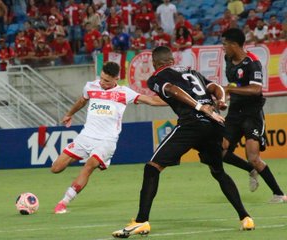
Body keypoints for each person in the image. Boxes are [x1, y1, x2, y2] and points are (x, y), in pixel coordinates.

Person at [112, 46, 255, 238]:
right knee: (218, 171)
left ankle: (140, 221)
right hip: (214, 124)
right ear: (172, 59)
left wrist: (198, 106)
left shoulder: (156, 77)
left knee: (152, 168)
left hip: (192, 124)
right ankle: (245, 218)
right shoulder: (191, 71)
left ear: (155, 63)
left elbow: (171, 89)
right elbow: (215, 87)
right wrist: (221, 101)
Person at [51, 61, 167, 214]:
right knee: (56, 168)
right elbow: (81, 101)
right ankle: (101, 160)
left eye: (106, 80)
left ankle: (63, 202)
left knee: (88, 166)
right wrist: (69, 114)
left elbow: (151, 100)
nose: (102, 82)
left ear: (116, 79)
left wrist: (176, 101)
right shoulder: (90, 86)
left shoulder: (124, 93)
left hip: (107, 140)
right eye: (101, 78)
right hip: (86, 137)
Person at [221, 28, 287, 202]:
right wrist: (223, 98)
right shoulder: (228, 59)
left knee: (254, 157)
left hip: (252, 114)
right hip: (234, 113)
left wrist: (230, 89)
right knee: (220, 151)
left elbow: (256, 89)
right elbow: (233, 84)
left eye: (225, 44)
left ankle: (279, 194)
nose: (223, 48)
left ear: (234, 45)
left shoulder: (253, 63)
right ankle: (250, 170)